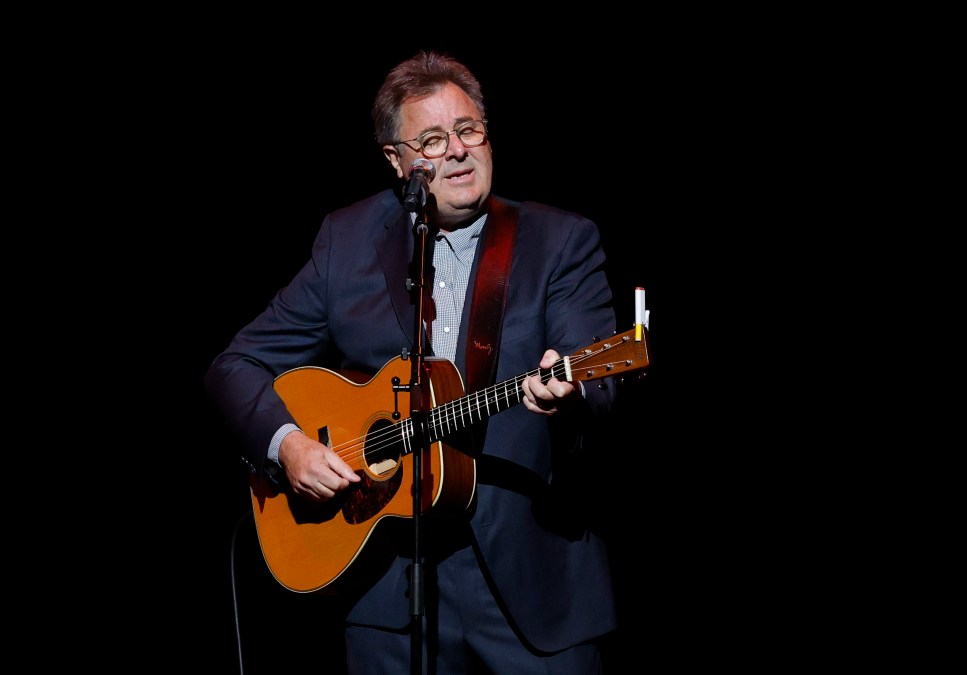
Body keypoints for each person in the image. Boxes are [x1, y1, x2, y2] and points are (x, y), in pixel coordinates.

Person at [206, 49, 625, 674]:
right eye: (431, 139)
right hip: (386, 586)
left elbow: (598, 381)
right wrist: (287, 445)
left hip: (531, 584)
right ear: (396, 161)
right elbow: (234, 365)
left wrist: (569, 390)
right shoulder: (345, 241)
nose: (457, 150)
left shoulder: (558, 240)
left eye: (468, 130)